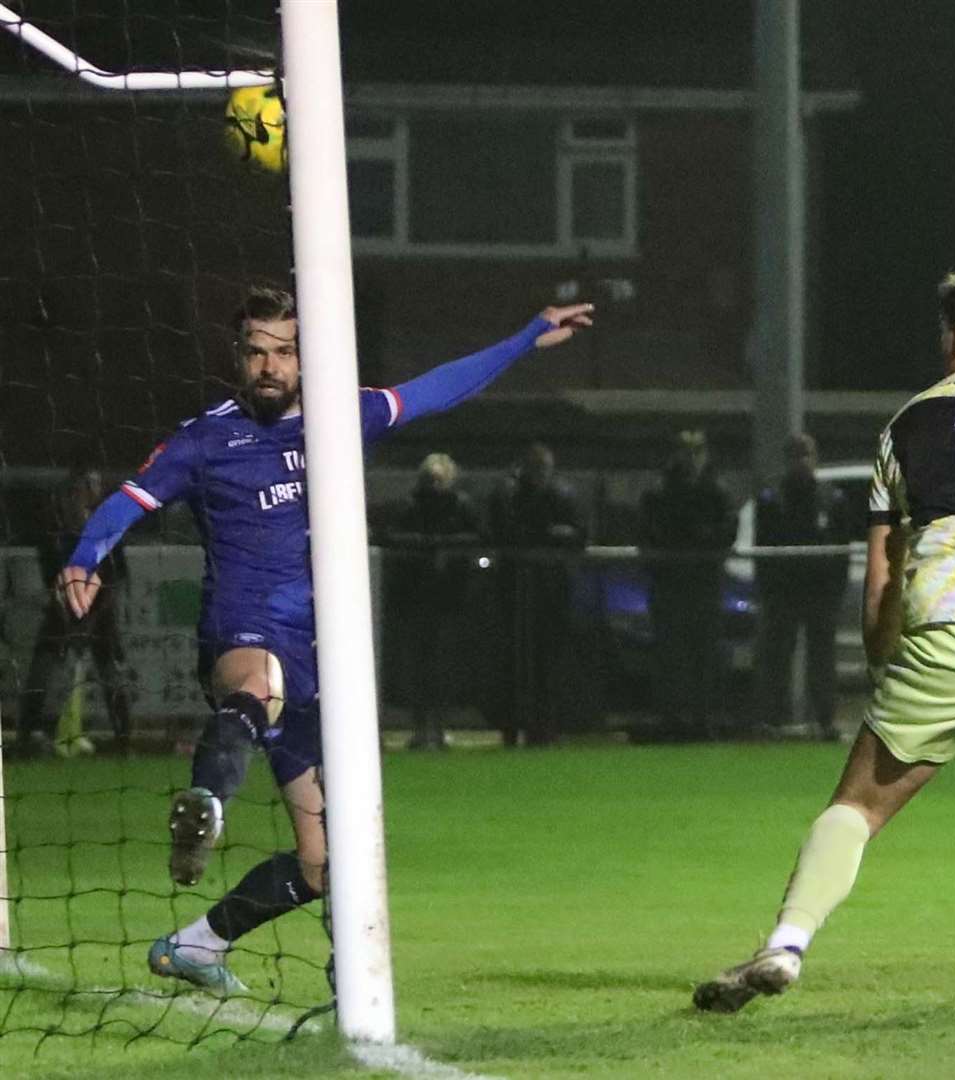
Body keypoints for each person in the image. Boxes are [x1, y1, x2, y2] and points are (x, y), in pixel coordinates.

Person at [56, 285, 592, 994]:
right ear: (236, 356)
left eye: (284, 351)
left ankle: (198, 944)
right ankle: (205, 805)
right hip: (242, 629)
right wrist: (84, 556)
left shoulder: (340, 418)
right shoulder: (206, 439)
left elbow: (436, 390)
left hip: (323, 655)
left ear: (305, 357)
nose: (269, 366)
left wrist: (525, 336)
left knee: (326, 863)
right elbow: (131, 499)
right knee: (256, 686)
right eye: (256, 351)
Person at [693, 265, 955, 1012]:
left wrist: (880, 652)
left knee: (857, 805)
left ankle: (786, 945)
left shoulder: (903, 425)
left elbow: (883, 566)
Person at [18, 461, 133, 756]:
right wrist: (66, 611)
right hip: (62, 613)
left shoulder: (108, 526)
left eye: (94, 485)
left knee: (111, 675)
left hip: (100, 615)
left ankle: (124, 740)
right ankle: (28, 735)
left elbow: (117, 576)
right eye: (84, 486)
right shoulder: (57, 533)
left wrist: (95, 617)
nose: (90, 491)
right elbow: (51, 576)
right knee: (42, 672)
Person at [753, 433, 850, 740]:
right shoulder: (773, 499)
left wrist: (836, 588)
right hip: (784, 591)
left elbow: (842, 546)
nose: (801, 462)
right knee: (778, 656)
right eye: (795, 456)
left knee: (822, 658)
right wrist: (767, 589)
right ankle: (773, 719)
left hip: (819, 591)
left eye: (806, 455)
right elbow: (763, 547)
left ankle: (825, 719)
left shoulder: (829, 498)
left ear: (815, 458)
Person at [639, 430, 735, 740]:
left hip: (705, 583)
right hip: (670, 583)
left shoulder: (717, 491)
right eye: (686, 451)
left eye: (697, 451)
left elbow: (727, 531)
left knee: (704, 653)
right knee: (671, 654)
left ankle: (703, 718)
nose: (691, 458)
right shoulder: (659, 491)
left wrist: (702, 539)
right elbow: (646, 533)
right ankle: (671, 719)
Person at [488, 443, 586, 747]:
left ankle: (543, 725)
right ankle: (514, 724)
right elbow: (505, 533)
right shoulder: (509, 495)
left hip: (549, 589)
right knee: (515, 659)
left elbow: (579, 535)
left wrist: (558, 537)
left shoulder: (560, 496)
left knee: (548, 659)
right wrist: (549, 536)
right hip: (517, 587)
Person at [385, 453, 483, 750]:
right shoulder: (411, 506)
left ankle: (440, 726)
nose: (435, 485)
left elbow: (478, 536)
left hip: (449, 598)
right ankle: (420, 726)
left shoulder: (462, 506)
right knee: (418, 665)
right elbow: (392, 535)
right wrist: (428, 546)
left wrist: (444, 547)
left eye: (439, 479)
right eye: (430, 479)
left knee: (444, 665)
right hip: (415, 598)